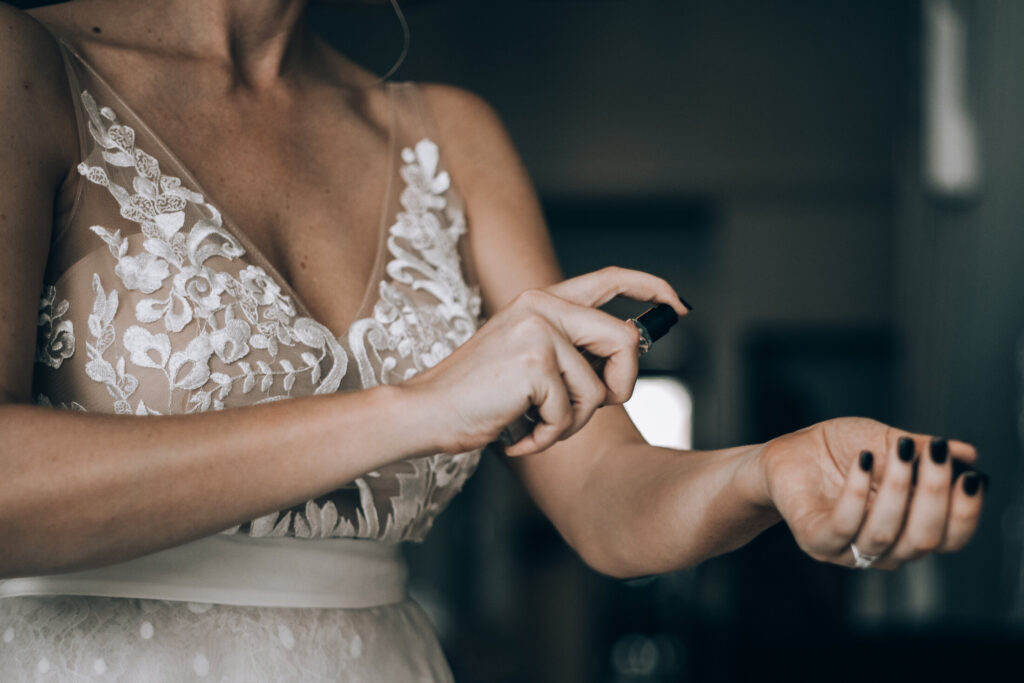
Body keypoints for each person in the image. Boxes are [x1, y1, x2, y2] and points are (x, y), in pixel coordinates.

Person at [0, 0, 986, 680]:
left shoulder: (448, 132)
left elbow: (605, 499)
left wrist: (766, 473)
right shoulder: (26, 67)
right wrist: (414, 410)